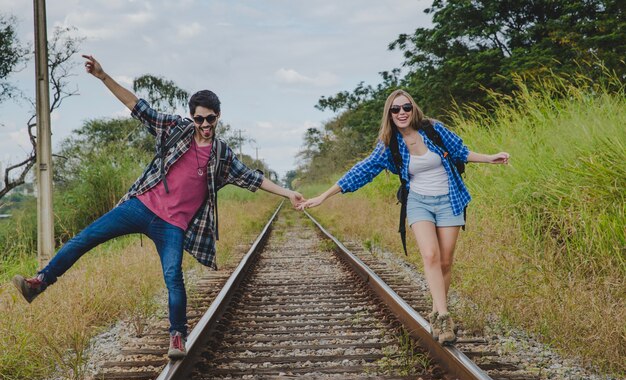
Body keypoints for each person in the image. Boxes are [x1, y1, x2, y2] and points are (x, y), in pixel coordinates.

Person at [13, 54, 304, 359]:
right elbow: (138, 107)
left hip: (172, 226)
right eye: (199, 118)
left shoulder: (222, 155)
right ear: (192, 117)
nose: (204, 124)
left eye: (210, 119)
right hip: (141, 206)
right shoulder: (175, 129)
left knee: (173, 276)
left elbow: (253, 179)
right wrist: (103, 76)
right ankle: (39, 282)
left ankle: (177, 336)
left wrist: (287, 193)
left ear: (219, 117)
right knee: (84, 239)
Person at [299, 89, 509, 345]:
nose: (401, 113)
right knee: (430, 255)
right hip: (418, 203)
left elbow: (460, 151)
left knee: (445, 262)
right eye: (395, 109)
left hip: (450, 200)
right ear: (389, 114)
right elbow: (361, 171)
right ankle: (443, 317)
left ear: (413, 109)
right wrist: (324, 196)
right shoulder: (389, 145)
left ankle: (435, 310)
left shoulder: (434, 129)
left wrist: (490, 158)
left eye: (406, 107)